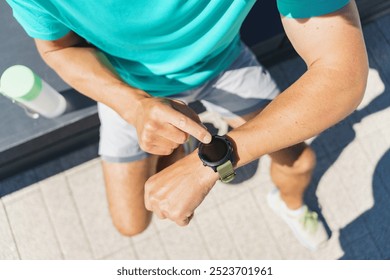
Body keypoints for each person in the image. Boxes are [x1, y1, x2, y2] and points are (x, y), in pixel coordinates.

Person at [6, 0, 368, 251]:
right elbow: (57, 49)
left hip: (225, 65)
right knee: (131, 223)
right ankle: (178, 138)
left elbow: (343, 74)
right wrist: (134, 107)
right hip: (129, 88)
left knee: (300, 162)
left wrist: (209, 164)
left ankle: (291, 207)